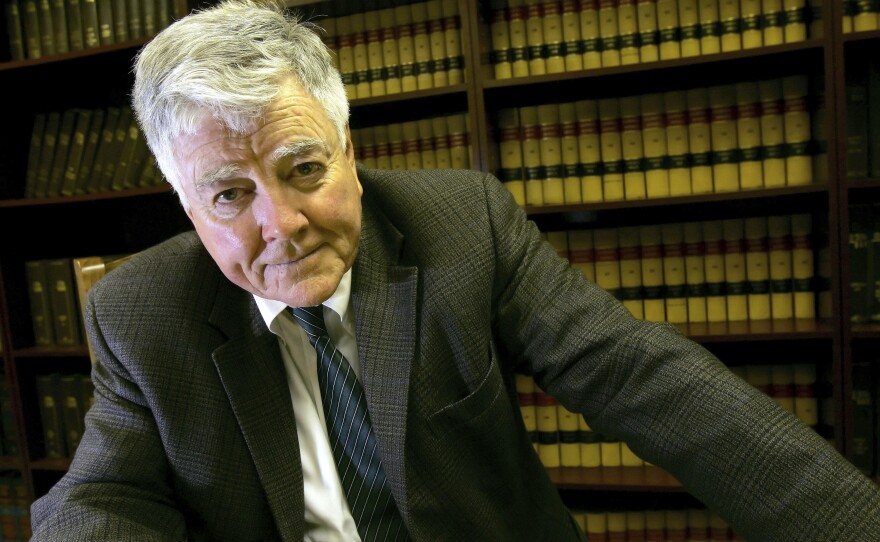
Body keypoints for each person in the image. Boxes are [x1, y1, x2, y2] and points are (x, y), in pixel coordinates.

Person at [30, 1, 880, 540]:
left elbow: (641, 376)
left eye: (303, 170)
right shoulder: (141, 311)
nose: (280, 226)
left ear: (350, 154)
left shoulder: (462, 226)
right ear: (186, 204)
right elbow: (104, 496)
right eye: (228, 195)